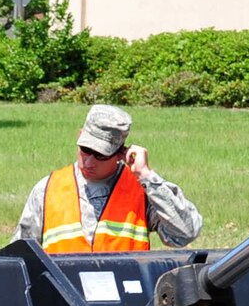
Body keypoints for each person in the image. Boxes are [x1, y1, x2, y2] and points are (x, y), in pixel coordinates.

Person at [15, 104, 204, 253]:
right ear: (80, 136)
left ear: (120, 153)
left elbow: (185, 233)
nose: (88, 162)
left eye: (100, 155)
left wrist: (147, 176)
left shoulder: (141, 190)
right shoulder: (47, 189)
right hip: (62, 299)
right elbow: (18, 258)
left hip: (128, 299)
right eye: (85, 150)